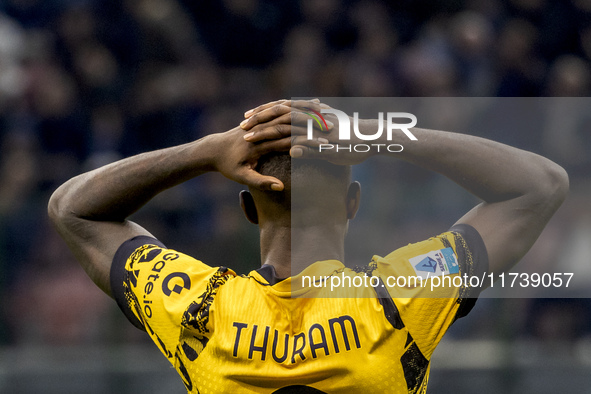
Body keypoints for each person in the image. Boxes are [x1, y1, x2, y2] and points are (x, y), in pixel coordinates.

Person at [48, 99, 568, 393]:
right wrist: (371, 133)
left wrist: (206, 151)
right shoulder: (400, 297)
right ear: (352, 204)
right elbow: (540, 185)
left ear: (247, 210)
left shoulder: (198, 306)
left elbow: (72, 207)